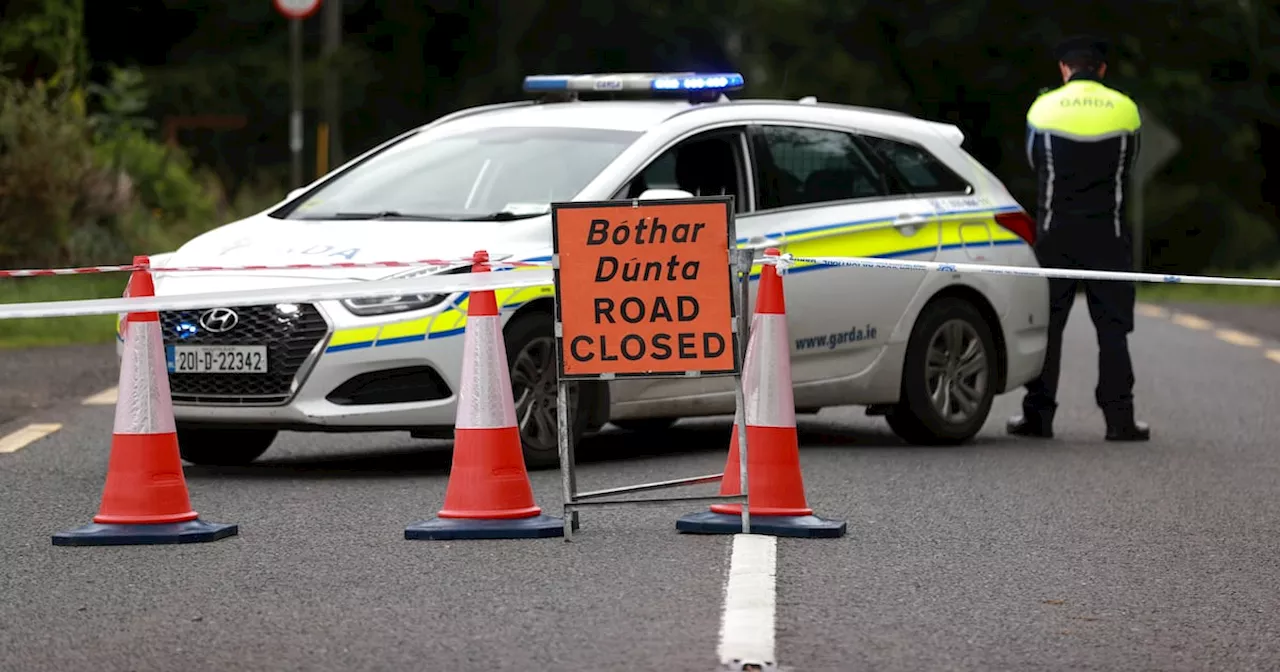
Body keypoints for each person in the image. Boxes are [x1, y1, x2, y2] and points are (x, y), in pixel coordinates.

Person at [1007, 35, 1151, 442]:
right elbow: (1130, 163)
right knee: (1113, 330)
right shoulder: (1125, 108)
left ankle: (1038, 418)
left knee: (1050, 326)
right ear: (1102, 70)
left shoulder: (1043, 108)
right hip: (1110, 233)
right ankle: (1120, 421)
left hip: (1057, 234)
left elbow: (1036, 162)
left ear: (1064, 69)